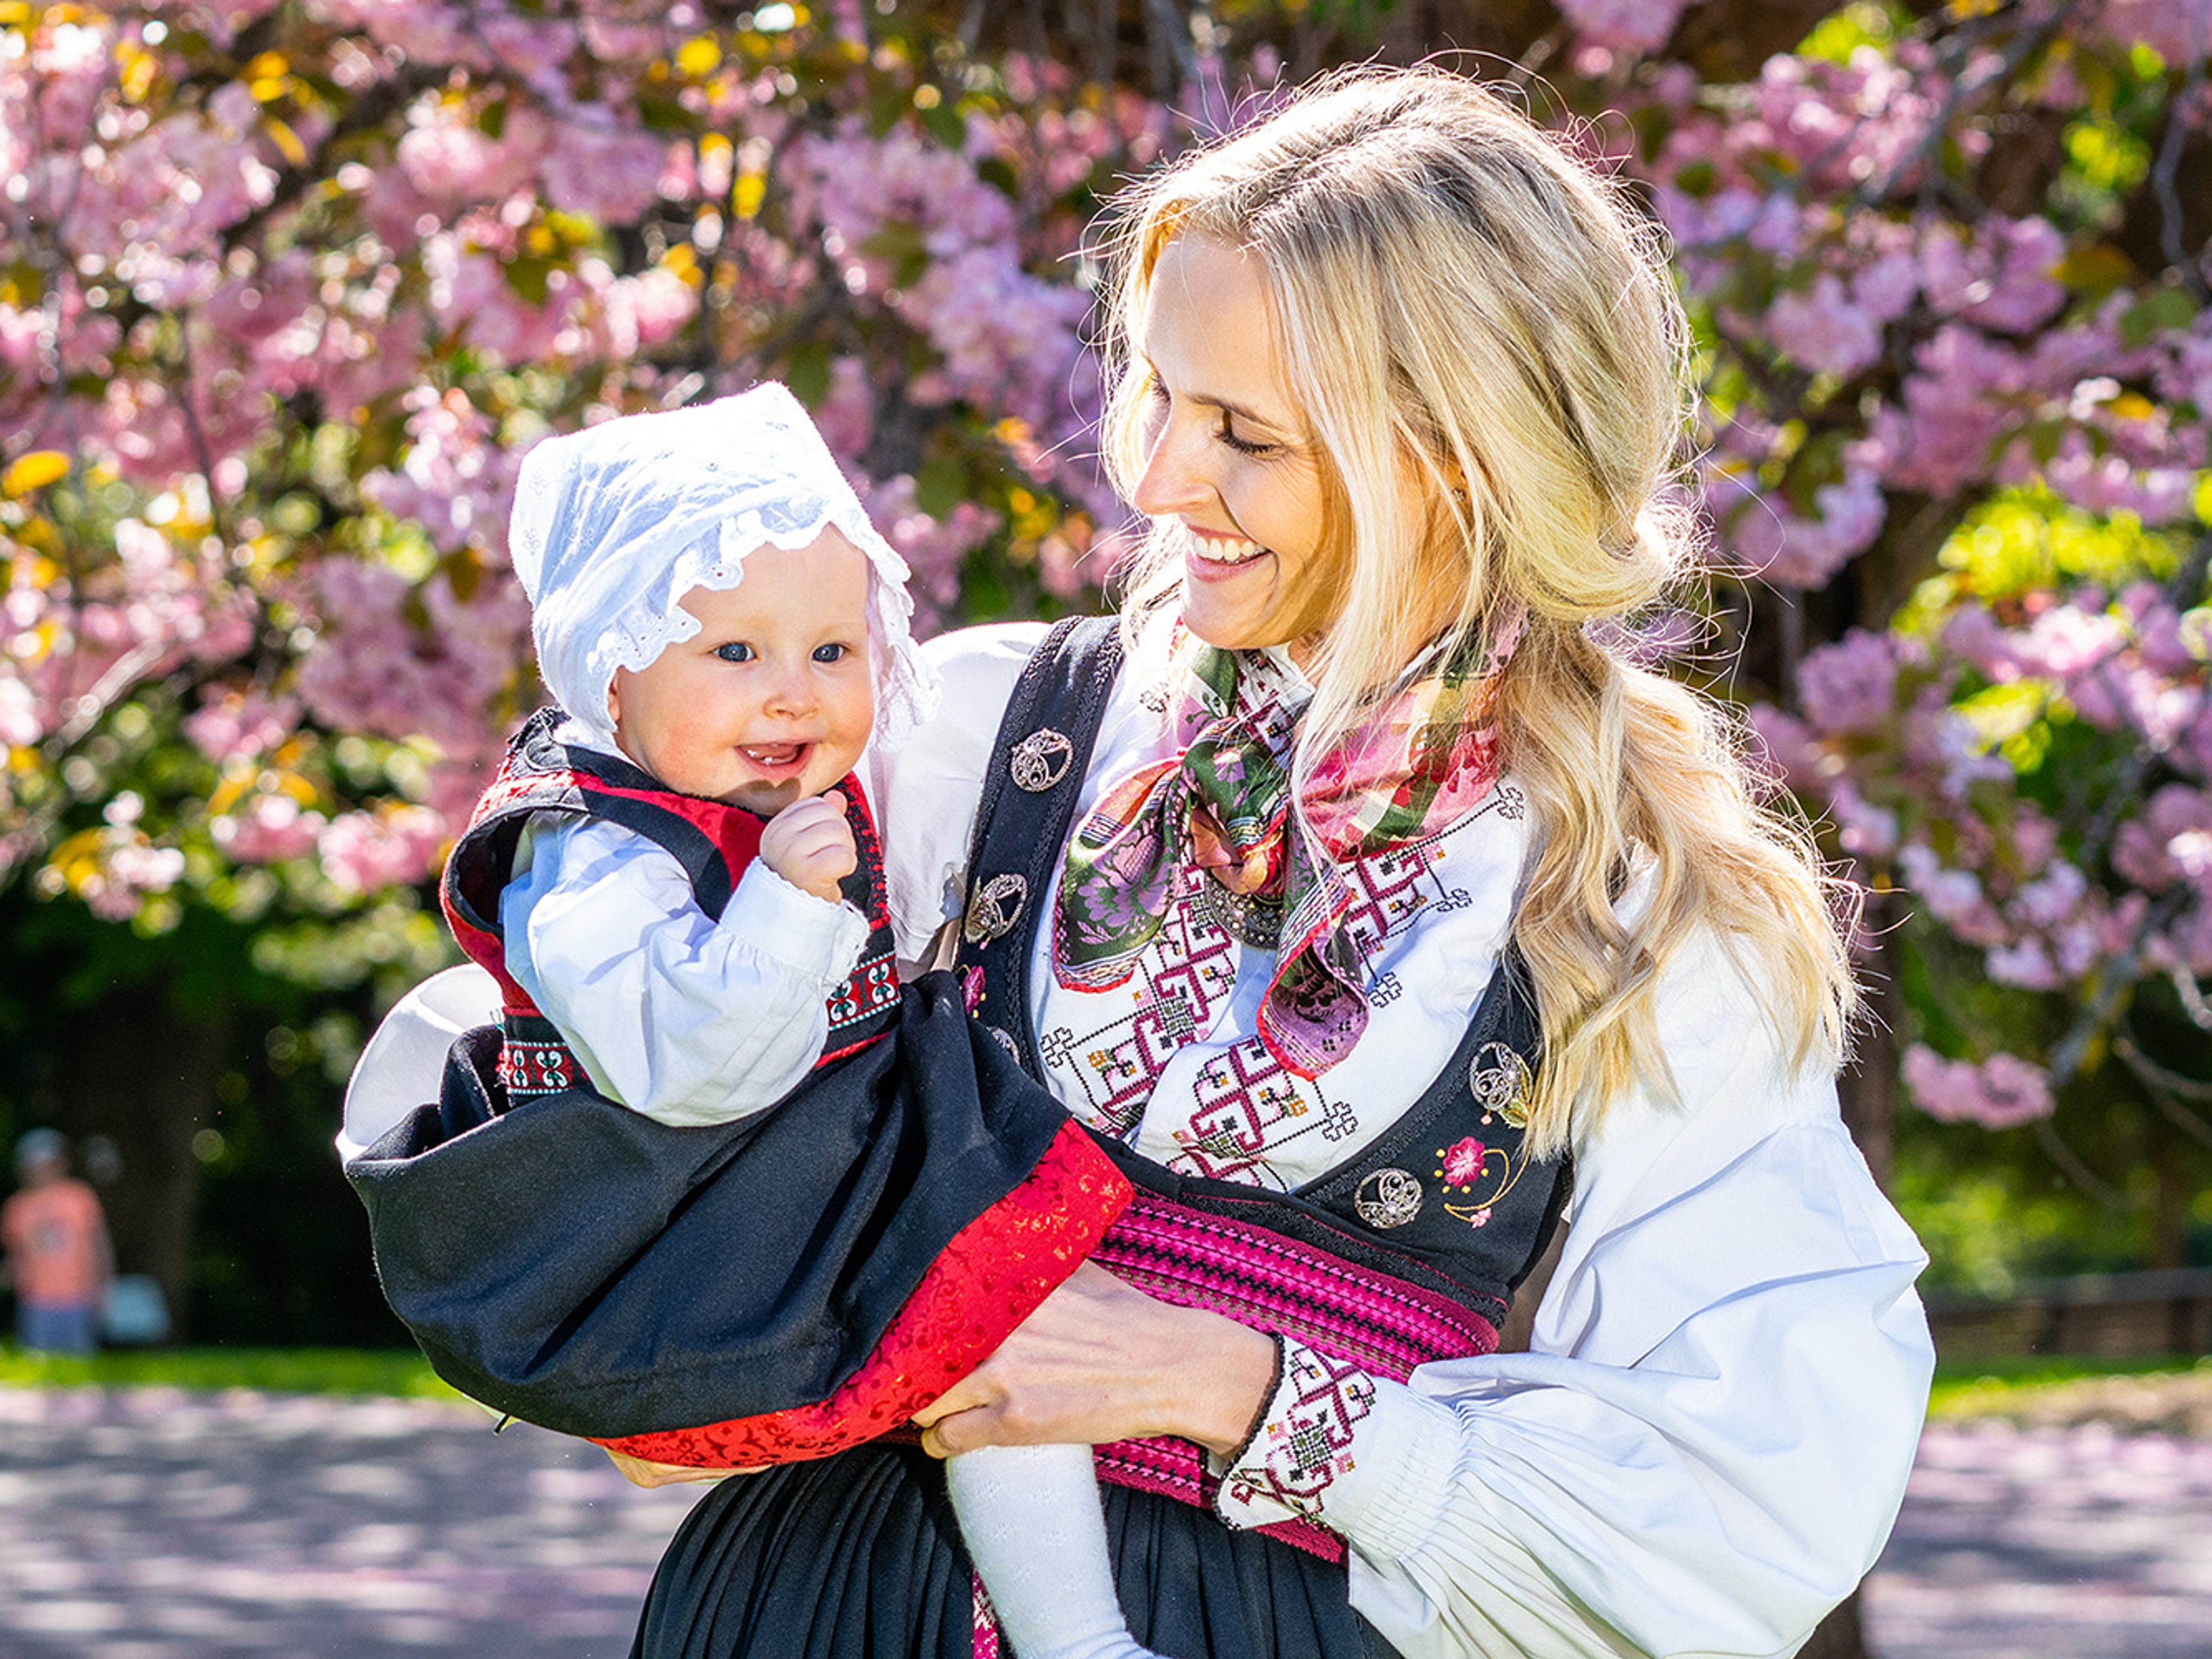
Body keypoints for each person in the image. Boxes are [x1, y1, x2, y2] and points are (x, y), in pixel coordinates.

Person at [348, 64, 1934, 1659]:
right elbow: (598, 1000)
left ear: (1452, 463)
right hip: (814, 1606)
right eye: (1160, 394)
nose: (1157, 478)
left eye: (1243, 432)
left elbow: (1748, 1506)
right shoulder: (968, 730)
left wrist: (1229, 1384)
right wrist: (674, 1313)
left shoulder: (1638, 895)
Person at [354, 384, 1175, 1659]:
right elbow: (694, 1070)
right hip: (684, 1215)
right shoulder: (586, 857)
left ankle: (1076, 1630)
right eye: (736, 654)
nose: (793, 694)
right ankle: (1076, 1637)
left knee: (1009, 1302)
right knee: (990, 1305)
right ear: (610, 668)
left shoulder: (763, 800)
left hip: (793, 1174)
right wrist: (789, 908)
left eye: (832, 652)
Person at [3, 1128, 113, 1354]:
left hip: (78, 1299)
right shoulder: (16, 1207)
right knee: (36, 1364)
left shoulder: (80, 1196)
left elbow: (100, 1246)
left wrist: (104, 1289)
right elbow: (15, 1258)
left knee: (79, 1365)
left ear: (60, 1163)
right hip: (35, 1302)